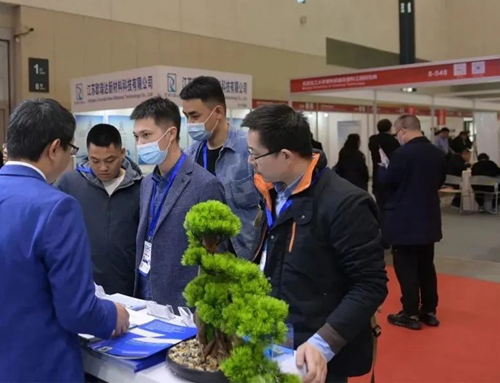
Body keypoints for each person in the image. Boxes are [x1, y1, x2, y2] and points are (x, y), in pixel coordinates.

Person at [0, 99, 129, 383]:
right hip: (40, 368)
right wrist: (113, 315)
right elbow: (77, 311)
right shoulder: (57, 207)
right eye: (71, 150)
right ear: (54, 148)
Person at [242, 104, 387, 383]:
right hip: (269, 336)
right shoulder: (272, 190)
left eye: (254, 153)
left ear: (285, 156)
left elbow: (370, 285)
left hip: (312, 353)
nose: (250, 161)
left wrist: (323, 343)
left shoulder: (345, 203)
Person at [131, 96, 225, 309]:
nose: (140, 144)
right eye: (137, 137)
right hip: (144, 295)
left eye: (146, 135)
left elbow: (214, 257)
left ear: (171, 134)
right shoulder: (147, 183)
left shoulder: (205, 185)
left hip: (182, 303)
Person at [56, 123, 143, 296]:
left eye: (110, 160)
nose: (103, 168)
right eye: (95, 161)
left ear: (122, 153)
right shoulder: (70, 184)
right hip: (82, 285)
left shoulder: (140, 187)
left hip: (127, 286)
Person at [378, 115, 446, 331]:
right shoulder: (437, 153)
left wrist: (382, 169)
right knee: (426, 266)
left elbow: (388, 183)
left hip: (404, 220)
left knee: (406, 268)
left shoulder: (402, 154)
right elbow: (440, 182)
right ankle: (429, 310)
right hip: (429, 217)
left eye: (397, 133)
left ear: (403, 131)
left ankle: (410, 312)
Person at [180, 76, 261, 258]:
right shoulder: (190, 156)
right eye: (186, 116)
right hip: (208, 259)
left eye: (195, 116)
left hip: (247, 257)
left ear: (218, 112)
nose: (190, 123)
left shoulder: (249, 150)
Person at [368, 119, 400, 222]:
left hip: (377, 174)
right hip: (391, 175)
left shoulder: (373, 140)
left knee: (380, 203)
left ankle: (381, 223)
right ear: (390, 128)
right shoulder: (394, 141)